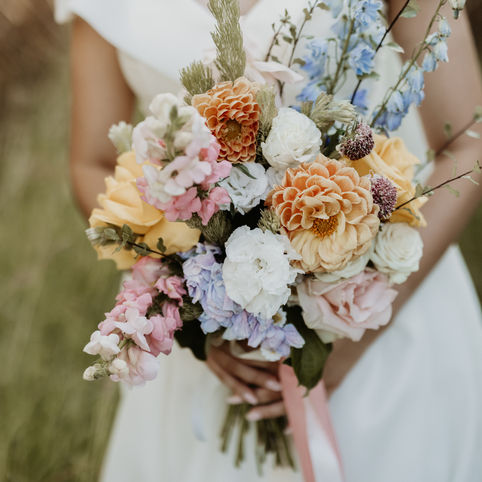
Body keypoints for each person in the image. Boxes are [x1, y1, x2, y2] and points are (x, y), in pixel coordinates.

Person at [56, 0, 482, 480]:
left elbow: (470, 139)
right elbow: (91, 161)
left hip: (387, 324)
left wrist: (347, 344)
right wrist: (200, 312)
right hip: (219, 358)